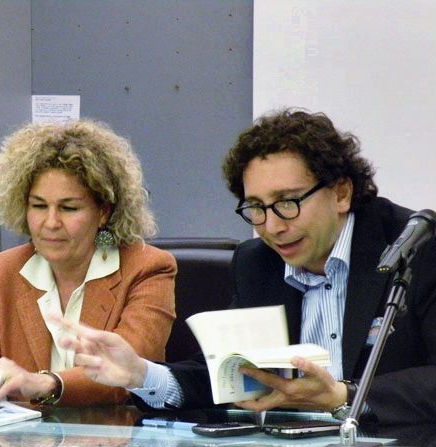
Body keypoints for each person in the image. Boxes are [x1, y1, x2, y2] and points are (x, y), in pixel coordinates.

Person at [57, 109, 436, 425]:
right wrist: (140, 373)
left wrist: (344, 396)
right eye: (256, 208)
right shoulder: (258, 263)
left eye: (287, 203)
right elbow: (231, 376)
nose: (272, 226)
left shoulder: (416, 248)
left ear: (341, 193)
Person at [0, 119, 176, 407]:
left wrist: (44, 383)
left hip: (118, 435)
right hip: (27, 438)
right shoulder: (5, 270)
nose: (51, 222)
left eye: (69, 208)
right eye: (38, 206)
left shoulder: (147, 268)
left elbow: (128, 374)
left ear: (103, 212)